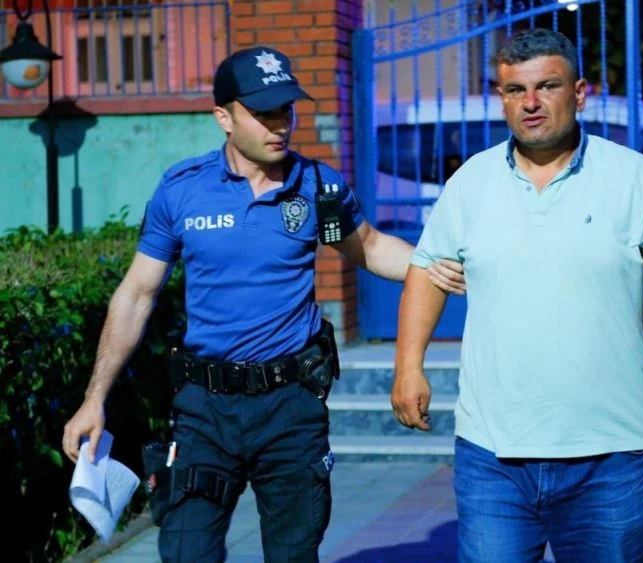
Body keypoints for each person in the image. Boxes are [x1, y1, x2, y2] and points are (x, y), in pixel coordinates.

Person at [62, 46, 465, 562]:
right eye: (263, 112)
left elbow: (370, 247)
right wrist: (94, 398)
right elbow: (137, 294)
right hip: (204, 409)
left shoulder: (318, 187)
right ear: (224, 117)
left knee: (293, 554)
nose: (280, 124)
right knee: (186, 551)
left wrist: (433, 265)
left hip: (290, 406)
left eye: (286, 109)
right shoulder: (182, 189)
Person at [391, 28, 643, 562]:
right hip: (493, 456)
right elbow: (426, 272)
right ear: (501, 98)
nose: (531, 103)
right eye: (515, 90)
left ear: (579, 93)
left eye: (547, 86)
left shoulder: (632, 177)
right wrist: (408, 367)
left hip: (611, 456)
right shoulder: (470, 183)